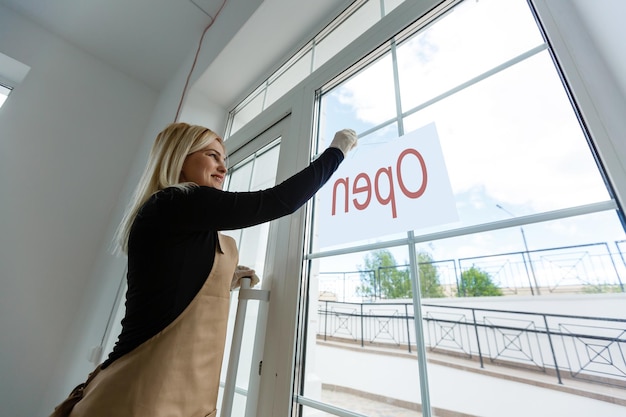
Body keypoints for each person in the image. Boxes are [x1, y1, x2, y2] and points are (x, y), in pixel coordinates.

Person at [52, 122, 357, 417]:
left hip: (166, 387)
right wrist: (336, 151)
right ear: (179, 158)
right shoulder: (176, 201)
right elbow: (278, 201)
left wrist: (224, 277)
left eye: (224, 159)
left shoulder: (175, 218)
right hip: (143, 390)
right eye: (212, 155)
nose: (224, 169)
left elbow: (175, 284)